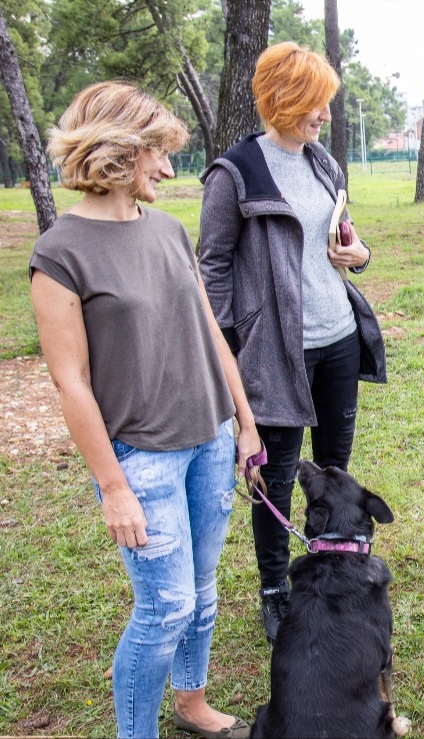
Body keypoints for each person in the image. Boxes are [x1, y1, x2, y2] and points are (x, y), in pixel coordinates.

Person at [29, 81, 259, 739]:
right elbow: (70, 382)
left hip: (210, 439)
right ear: (117, 152)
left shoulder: (167, 228)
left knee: (204, 593)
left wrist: (243, 423)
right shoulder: (59, 252)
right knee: (165, 607)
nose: (167, 167)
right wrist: (113, 488)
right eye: (157, 152)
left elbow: (209, 330)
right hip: (142, 457)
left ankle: (192, 704)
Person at [198, 41, 387, 644]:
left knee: (333, 469)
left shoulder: (321, 162)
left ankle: (334, 565)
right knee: (275, 476)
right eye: (317, 103)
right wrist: (238, 339)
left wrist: (358, 256)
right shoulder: (235, 174)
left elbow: (342, 242)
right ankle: (276, 590)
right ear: (283, 99)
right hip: (274, 352)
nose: (326, 116)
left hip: (336, 338)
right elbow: (212, 267)